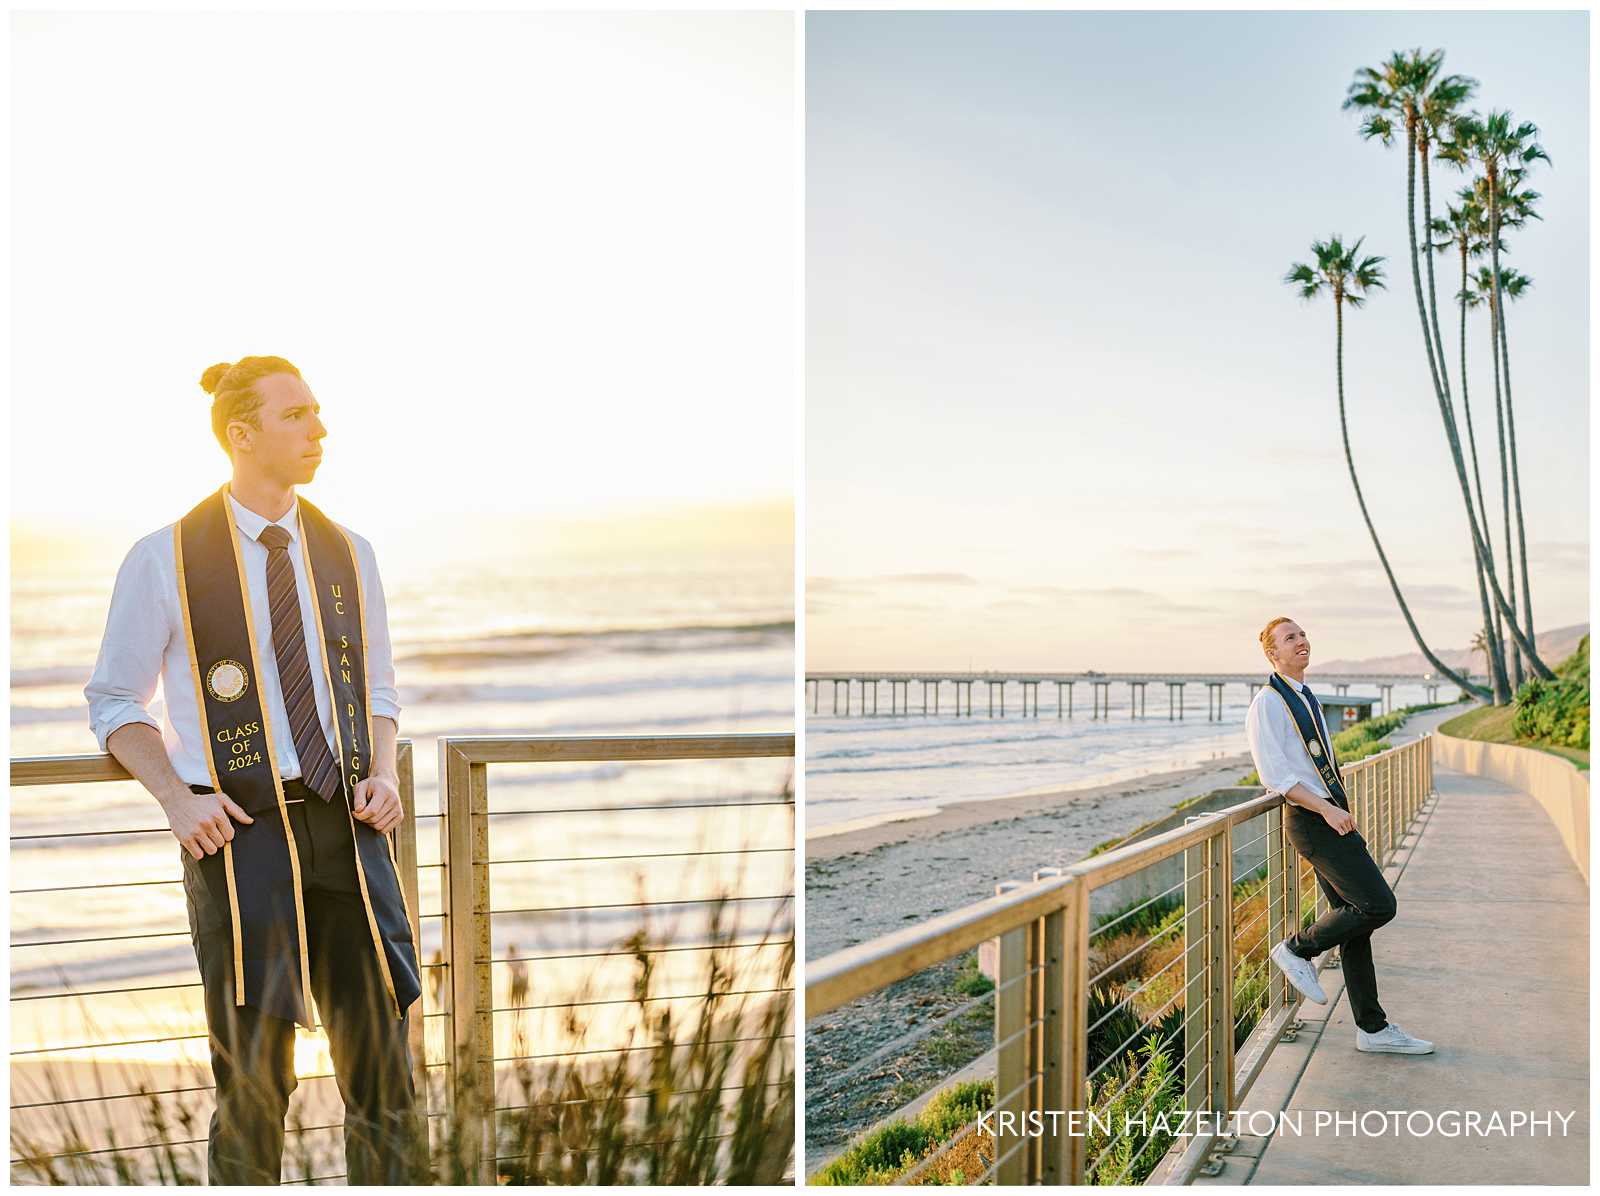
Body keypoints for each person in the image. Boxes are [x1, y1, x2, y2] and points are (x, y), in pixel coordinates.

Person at [84, 356, 425, 1182]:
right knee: (253, 1080)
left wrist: (382, 771)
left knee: (383, 1071)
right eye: (297, 415)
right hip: (240, 838)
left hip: (349, 828)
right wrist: (175, 799)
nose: (319, 428)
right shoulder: (164, 557)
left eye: (317, 412)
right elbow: (115, 702)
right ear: (242, 434)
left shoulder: (350, 552)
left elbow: (377, 687)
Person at [1245, 616, 1433, 1056]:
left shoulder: (1305, 697)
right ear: (1272, 654)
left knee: (1355, 926)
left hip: (1330, 819)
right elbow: (1275, 775)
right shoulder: (1268, 703)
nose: (1302, 641)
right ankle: (1296, 950)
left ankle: (1372, 1028)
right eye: (1290, 638)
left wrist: (1336, 809)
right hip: (1313, 822)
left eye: (1303, 634)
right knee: (1378, 904)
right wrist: (1328, 809)